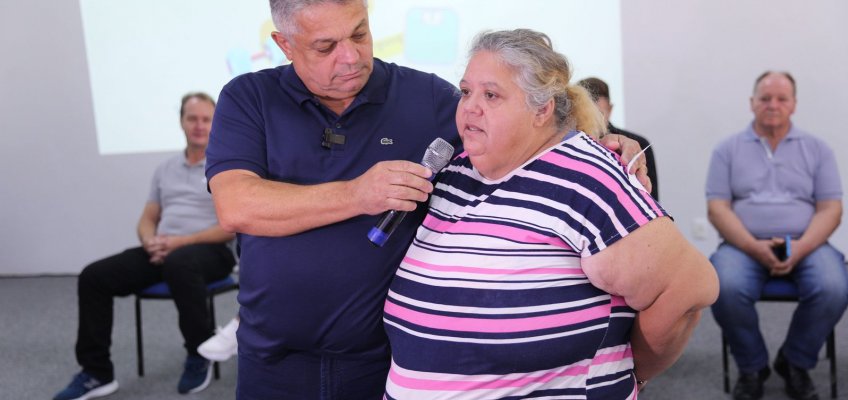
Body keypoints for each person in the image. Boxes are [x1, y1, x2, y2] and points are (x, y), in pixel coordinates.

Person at [205, 1, 651, 398]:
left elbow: (527, 133)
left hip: (387, 361)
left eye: (359, 33)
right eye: (325, 47)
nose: (351, 56)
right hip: (273, 361)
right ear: (284, 44)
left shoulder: (427, 97)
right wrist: (359, 194)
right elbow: (237, 205)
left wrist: (604, 141)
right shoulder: (249, 98)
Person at [382, 28, 718, 400]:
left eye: (491, 95)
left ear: (541, 109)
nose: (469, 107)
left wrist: (627, 376)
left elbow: (688, 289)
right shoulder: (458, 169)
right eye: (465, 92)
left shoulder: (587, 177)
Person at [54, 92, 237, 400]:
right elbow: (148, 218)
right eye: (192, 118)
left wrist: (182, 242)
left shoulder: (227, 166)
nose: (199, 125)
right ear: (181, 122)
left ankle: (198, 353)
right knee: (93, 276)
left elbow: (230, 226)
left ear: (216, 123)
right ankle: (97, 373)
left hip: (210, 250)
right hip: (164, 250)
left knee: (181, 262)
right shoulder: (165, 169)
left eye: (206, 119)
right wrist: (149, 241)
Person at [706, 71, 848, 400]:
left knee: (834, 287)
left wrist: (800, 248)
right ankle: (752, 367)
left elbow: (831, 209)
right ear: (751, 103)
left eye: (781, 98)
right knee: (722, 286)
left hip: (807, 244)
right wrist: (752, 246)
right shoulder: (726, 150)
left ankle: (794, 362)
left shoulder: (818, 149)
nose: (773, 105)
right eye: (765, 98)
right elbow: (718, 209)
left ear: (794, 105)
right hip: (743, 245)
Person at [579, 76, 659, 199]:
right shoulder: (566, 144)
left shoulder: (637, 144)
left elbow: (652, 199)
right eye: (587, 114)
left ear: (610, 109)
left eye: (599, 114)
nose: (592, 121)